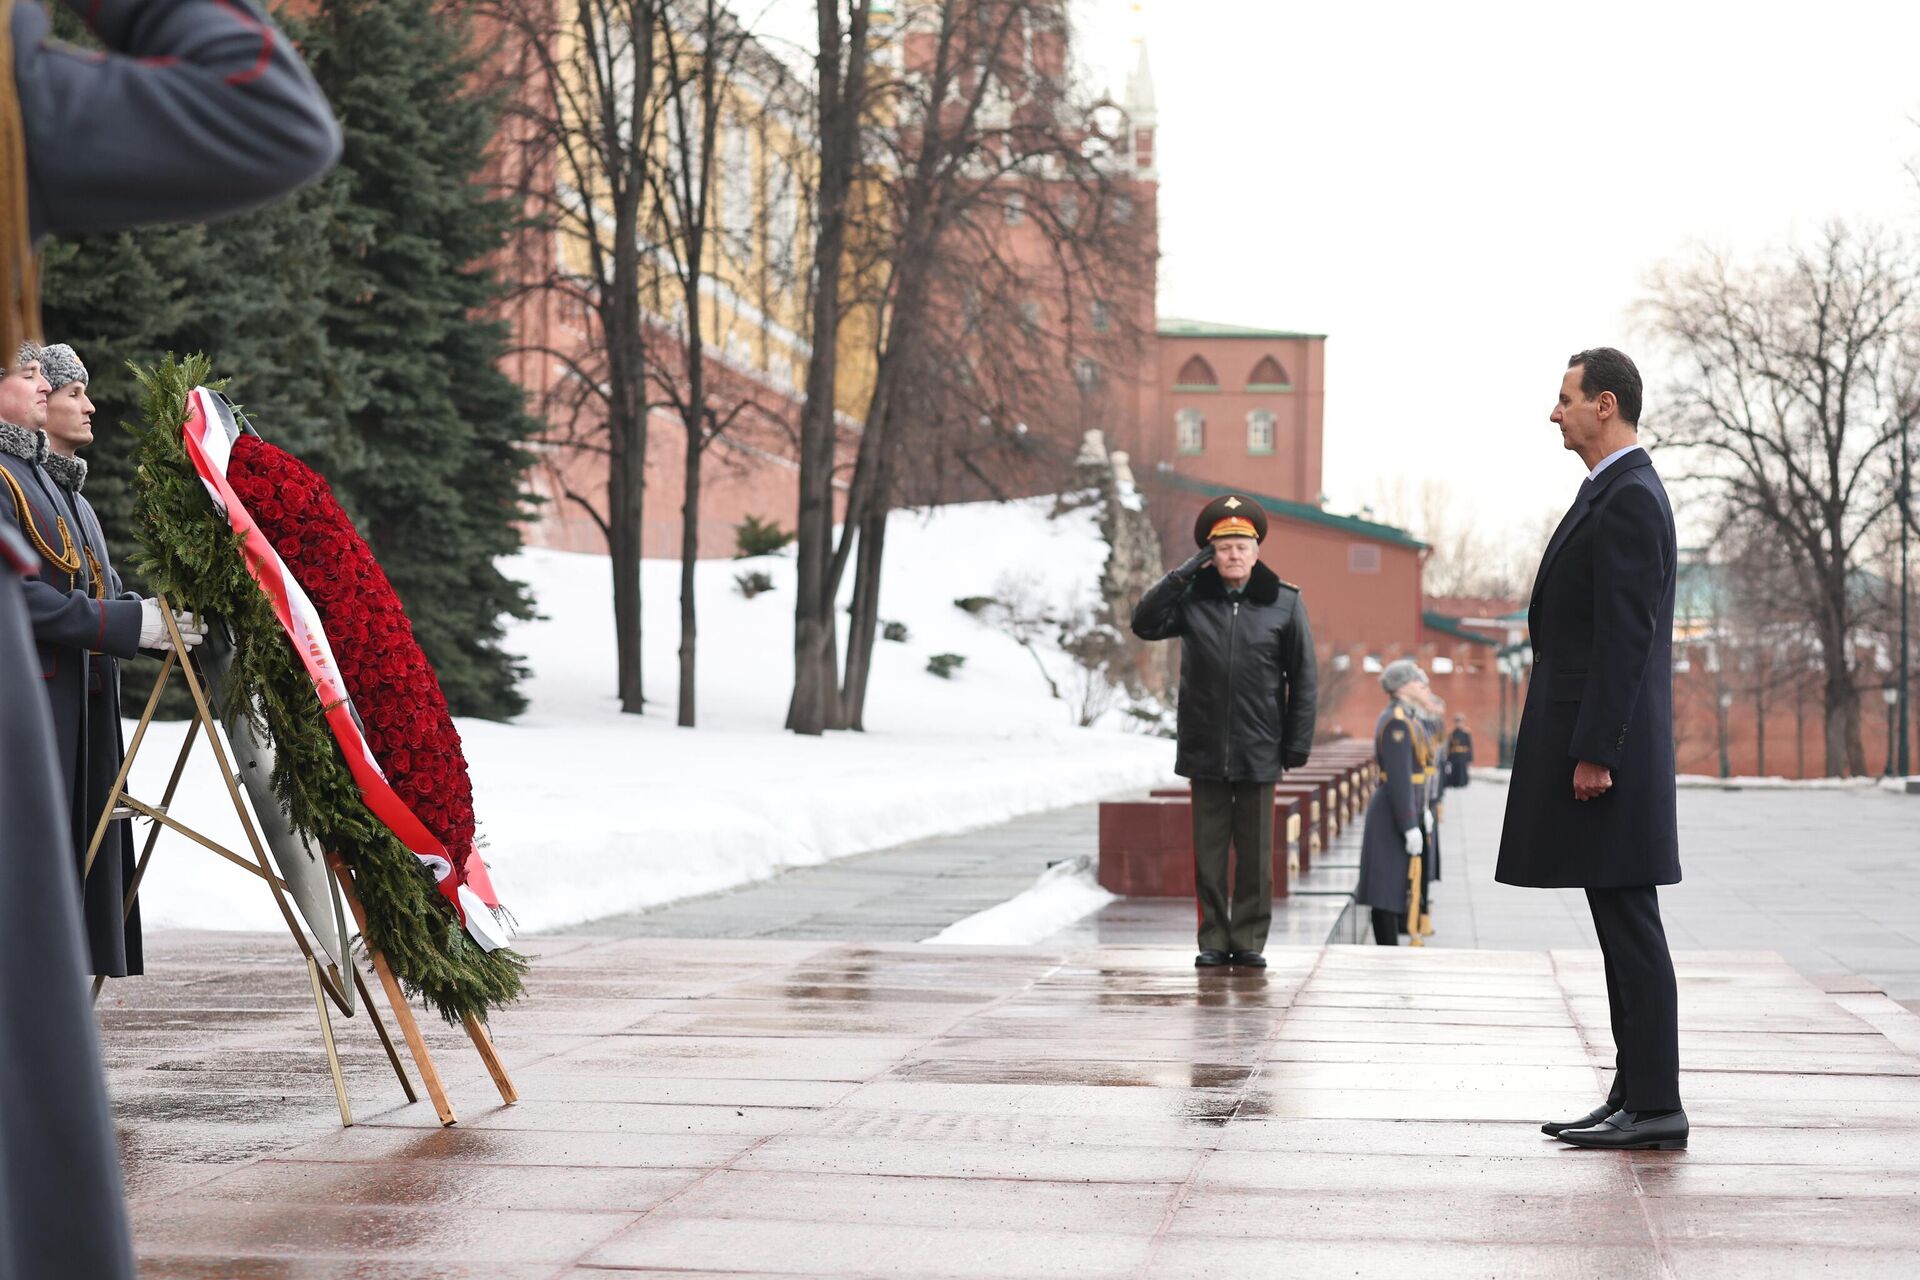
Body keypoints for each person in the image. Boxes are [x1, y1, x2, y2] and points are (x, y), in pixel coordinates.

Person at [0, 4, 340, 1276]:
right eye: (52, 379)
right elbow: (265, 110)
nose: (67, 394)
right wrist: (121, 621)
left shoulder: (60, 485)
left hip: (62, 710)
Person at [1498, 347, 1685, 1152]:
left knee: (1630, 925)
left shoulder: (1631, 496)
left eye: (1565, 398)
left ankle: (1655, 1103)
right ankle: (1635, 1089)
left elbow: (1626, 637)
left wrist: (1597, 751)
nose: (1554, 413)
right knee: (1617, 921)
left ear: (1604, 404)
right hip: (1602, 743)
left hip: (1612, 753)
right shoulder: (1615, 490)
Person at [1132, 493, 1317, 969]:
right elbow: (1144, 624)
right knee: (1210, 853)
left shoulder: (1284, 602)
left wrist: (1296, 744)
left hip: (1260, 745)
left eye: (1242, 545)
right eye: (1224, 547)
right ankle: (1213, 938)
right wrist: (1181, 576)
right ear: (1210, 555)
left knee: (1256, 854)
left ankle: (1250, 939)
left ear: (1257, 553)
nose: (1234, 555)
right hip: (1205, 743)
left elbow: (1305, 678)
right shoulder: (1194, 599)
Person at [1355, 660, 1431, 946]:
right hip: (1391, 810)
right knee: (1384, 886)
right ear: (1401, 687)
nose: (1423, 687)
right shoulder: (1397, 720)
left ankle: (1391, 945)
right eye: (1416, 682)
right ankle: (1386, 949)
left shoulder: (1407, 717)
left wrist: (1421, 812)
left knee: (1394, 881)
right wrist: (1409, 823)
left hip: (1401, 808)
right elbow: (1399, 777)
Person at [1446, 713, 1474, 787]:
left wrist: (1470, 758)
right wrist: (1448, 758)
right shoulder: (1452, 733)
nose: (1459, 724)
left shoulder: (1466, 733)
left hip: (1463, 755)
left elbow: (1470, 747)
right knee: (1454, 771)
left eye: (1460, 722)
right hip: (1454, 755)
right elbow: (1449, 747)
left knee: (1462, 771)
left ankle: (1462, 783)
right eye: (1457, 722)